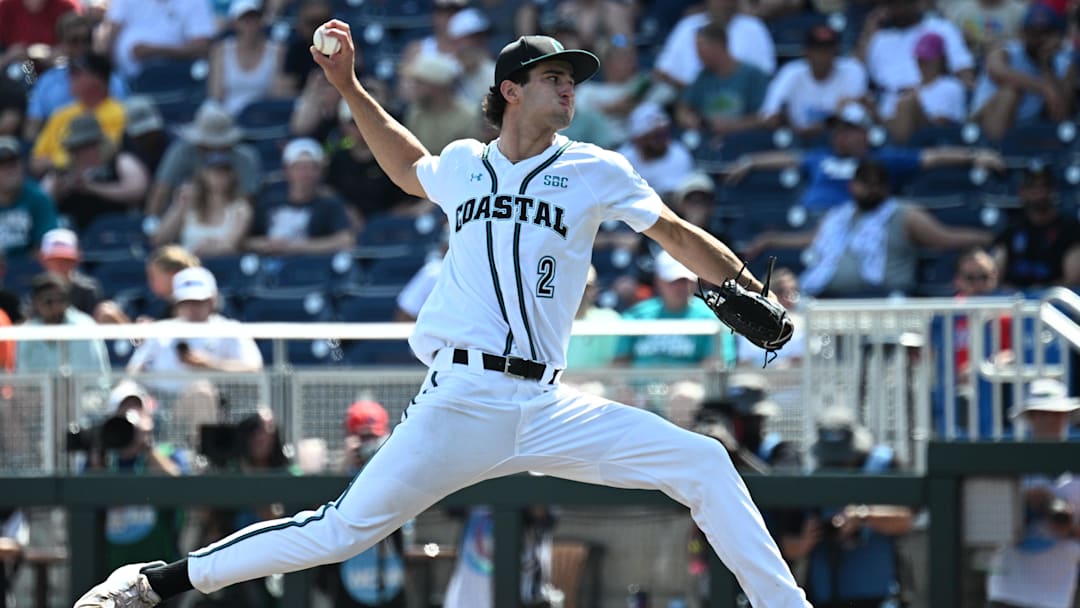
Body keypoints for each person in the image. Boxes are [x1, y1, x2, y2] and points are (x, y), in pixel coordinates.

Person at [73, 25, 812, 608]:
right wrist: (349, 86)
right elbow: (408, 164)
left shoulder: (595, 169)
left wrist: (747, 284)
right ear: (511, 90)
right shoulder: (467, 164)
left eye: (573, 82)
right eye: (555, 78)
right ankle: (156, 582)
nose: (569, 92)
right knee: (338, 531)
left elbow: (676, 235)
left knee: (705, 462)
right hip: (459, 400)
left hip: (547, 403)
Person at [745, 159, 994, 298]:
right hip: (828, 299)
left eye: (878, 183)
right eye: (865, 182)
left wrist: (990, 237)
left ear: (887, 187)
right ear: (853, 186)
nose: (871, 188)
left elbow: (945, 238)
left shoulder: (904, 214)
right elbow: (812, 239)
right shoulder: (838, 216)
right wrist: (770, 239)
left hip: (882, 301)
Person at [727, 100, 1005, 213]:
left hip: (852, 226)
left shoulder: (882, 160)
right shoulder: (821, 157)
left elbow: (932, 156)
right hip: (812, 222)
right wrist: (750, 161)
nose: (839, 136)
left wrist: (974, 155)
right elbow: (789, 158)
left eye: (848, 130)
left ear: (865, 134)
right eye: (837, 130)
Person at [777, 406, 915, 608]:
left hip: (880, 598)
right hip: (825, 599)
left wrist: (861, 517)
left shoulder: (885, 466)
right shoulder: (811, 481)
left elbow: (907, 519)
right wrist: (806, 541)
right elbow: (786, 545)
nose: (839, 463)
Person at [985, 378, 1080, 608]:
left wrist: (1069, 527)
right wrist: (1021, 505)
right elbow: (986, 528)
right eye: (1042, 414)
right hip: (1008, 590)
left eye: (1056, 414)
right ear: (1031, 419)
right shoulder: (1008, 467)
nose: (1050, 421)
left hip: (1057, 595)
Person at [314, 400, 407, 608]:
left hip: (390, 577)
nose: (367, 445)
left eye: (373, 438)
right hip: (346, 580)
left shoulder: (394, 468)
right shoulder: (337, 470)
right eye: (362, 438)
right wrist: (345, 464)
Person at [970, 1, 1074, 141]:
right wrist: (1043, 88)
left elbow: (1061, 115)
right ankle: (994, 150)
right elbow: (996, 71)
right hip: (981, 123)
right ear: (1023, 33)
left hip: (1026, 128)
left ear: (1057, 35)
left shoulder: (1061, 62)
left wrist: (1047, 66)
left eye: (1046, 32)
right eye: (1033, 32)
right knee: (1011, 91)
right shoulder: (1007, 50)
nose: (1040, 39)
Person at [614, 251, 732, 368]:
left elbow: (716, 365)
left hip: (690, 385)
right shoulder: (636, 316)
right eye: (673, 282)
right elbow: (619, 363)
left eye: (686, 281)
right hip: (638, 385)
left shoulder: (711, 319)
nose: (681, 287)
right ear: (658, 281)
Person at [23, 11, 128, 141]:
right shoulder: (47, 82)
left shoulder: (112, 80)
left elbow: (123, 122)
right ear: (62, 44)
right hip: (56, 151)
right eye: (74, 41)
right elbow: (33, 125)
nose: (81, 47)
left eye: (86, 41)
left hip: (100, 148)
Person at [145, 101, 261, 217]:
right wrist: (151, 223)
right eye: (209, 145)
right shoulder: (181, 150)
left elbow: (245, 201)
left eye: (221, 145)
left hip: (230, 217)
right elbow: (161, 190)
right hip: (185, 214)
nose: (215, 148)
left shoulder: (245, 157)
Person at [40, 112, 150, 232]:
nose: (82, 152)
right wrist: (59, 191)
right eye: (77, 147)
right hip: (73, 232)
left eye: (88, 145)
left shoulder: (119, 162)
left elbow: (137, 189)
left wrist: (92, 187)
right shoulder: (61, 172)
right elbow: (41, 203)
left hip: (116, 229)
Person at [244, 138, 354, 255]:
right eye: (299, 167)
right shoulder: (268, 201)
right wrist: (269, 244)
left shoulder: (329, 204)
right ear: (286, 170)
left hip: (310, 268)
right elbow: (243, 241)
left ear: (320, 171)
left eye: (311, 167)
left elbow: (346, 240)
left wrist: (299, 246)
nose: (305, 173)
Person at [759, 24, 869, 139]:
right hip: (798, 140)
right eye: (818, 50)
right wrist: (784, 120)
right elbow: (768, 114)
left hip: (837, 140)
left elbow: (857, 116)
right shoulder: (790, 72)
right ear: (806, 52)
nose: (823, 56)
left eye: (828, 50)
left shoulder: (852, 70)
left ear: (836, 51)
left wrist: (823, 125)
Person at [30, 52, 125, 177]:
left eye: (77, 73)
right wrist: (63, 164)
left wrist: (55, 162)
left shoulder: (118, 113)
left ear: (98, 78)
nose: (70, 77)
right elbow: (35, 163)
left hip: (97, 180)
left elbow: (102, 156)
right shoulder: (61, 114)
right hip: (56, 179)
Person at [674, 20, 770, 141]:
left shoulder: (753, 75)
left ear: (718, 46)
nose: (697, 55)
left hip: (745, 140)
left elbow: (766, 118)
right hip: (709, 140)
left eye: (700, 49)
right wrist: (688, 119)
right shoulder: (702, 77)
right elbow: (683, 108)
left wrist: (735, 125)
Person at [991, 165, 1080, 289]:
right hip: (1015, 302)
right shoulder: (1012, 228)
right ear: (1021, 191)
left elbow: (1072, 280)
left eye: (1044, 186)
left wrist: (1041, 291)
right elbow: (994, 275)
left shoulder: (1070, 229)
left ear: (1053, 190)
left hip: (1055, 302)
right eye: (1031, 187)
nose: (1038, 192)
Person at [150, 151, 253, 258]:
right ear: (203, 174)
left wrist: (210, 247)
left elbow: (230, 245)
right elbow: (159, 239)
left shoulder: (240, 208)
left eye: (225, 172)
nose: (219, 176)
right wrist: (179, 206)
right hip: (187, 266)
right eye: (214, 171)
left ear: (232, 175)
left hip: (220, 266)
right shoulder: (188, 203)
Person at [16, 271, 108, 376]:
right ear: (36, 303)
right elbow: (23, 381)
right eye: (48, 301)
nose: (56, 307)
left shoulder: (85, 328)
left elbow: (97, 380)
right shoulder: (26, 333)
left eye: (61, 300)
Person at [206, 0, 288, 117]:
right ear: (235, 23)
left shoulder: (278, 51)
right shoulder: (221, 50)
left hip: (263, 116)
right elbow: (215, 95)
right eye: (245, 19)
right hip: (226, 118)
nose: (250, 24)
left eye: (255, 18)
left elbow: (277, 93)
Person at [885, 31, 968, 145]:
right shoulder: (908, 88)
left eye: (927, 60)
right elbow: (890, 121)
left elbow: (942, 124)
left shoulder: (952, 86)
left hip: (936, 141)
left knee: (907, 103)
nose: (922, 64)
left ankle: (900, 151)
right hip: (908, 135)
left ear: (940, 59)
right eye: (919, 60)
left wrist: (915, 105)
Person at [99, 0, 216, 79]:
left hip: (176, 79)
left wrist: (154, 52)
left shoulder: (195, 2)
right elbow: (109, 34)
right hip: (124, 82)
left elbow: (202, 47)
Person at [93, 244, 200, 324]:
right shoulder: (155, 303)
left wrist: (122, 324)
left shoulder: (191, 304)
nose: (149, 281)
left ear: (173, 275)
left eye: (153, 276)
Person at [0, 135, 58, 261]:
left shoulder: (38, 198)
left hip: (29, 273)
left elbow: (46, 246)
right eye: (3, 165)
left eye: (13, 163)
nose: (10, 170)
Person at [36, 227, 102, 315]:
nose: (60, 264)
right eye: (54, 259)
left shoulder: (88, 290)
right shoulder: (36, 289)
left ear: (77, 260)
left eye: (66, 260)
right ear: (42, 259)